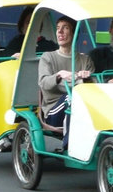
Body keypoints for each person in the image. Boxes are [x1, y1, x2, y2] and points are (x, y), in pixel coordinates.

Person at [38, 16, 94, 149]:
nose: (60, 32)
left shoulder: (85, 60)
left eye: (65, 28)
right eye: (58, 28)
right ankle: (69, 144)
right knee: (73, 97)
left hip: (81, 105)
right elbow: (44, 83)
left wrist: (86, 79)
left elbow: (93, 87)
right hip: (53, 110)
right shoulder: (48, 57)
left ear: (74, 34)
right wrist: (59, 75)